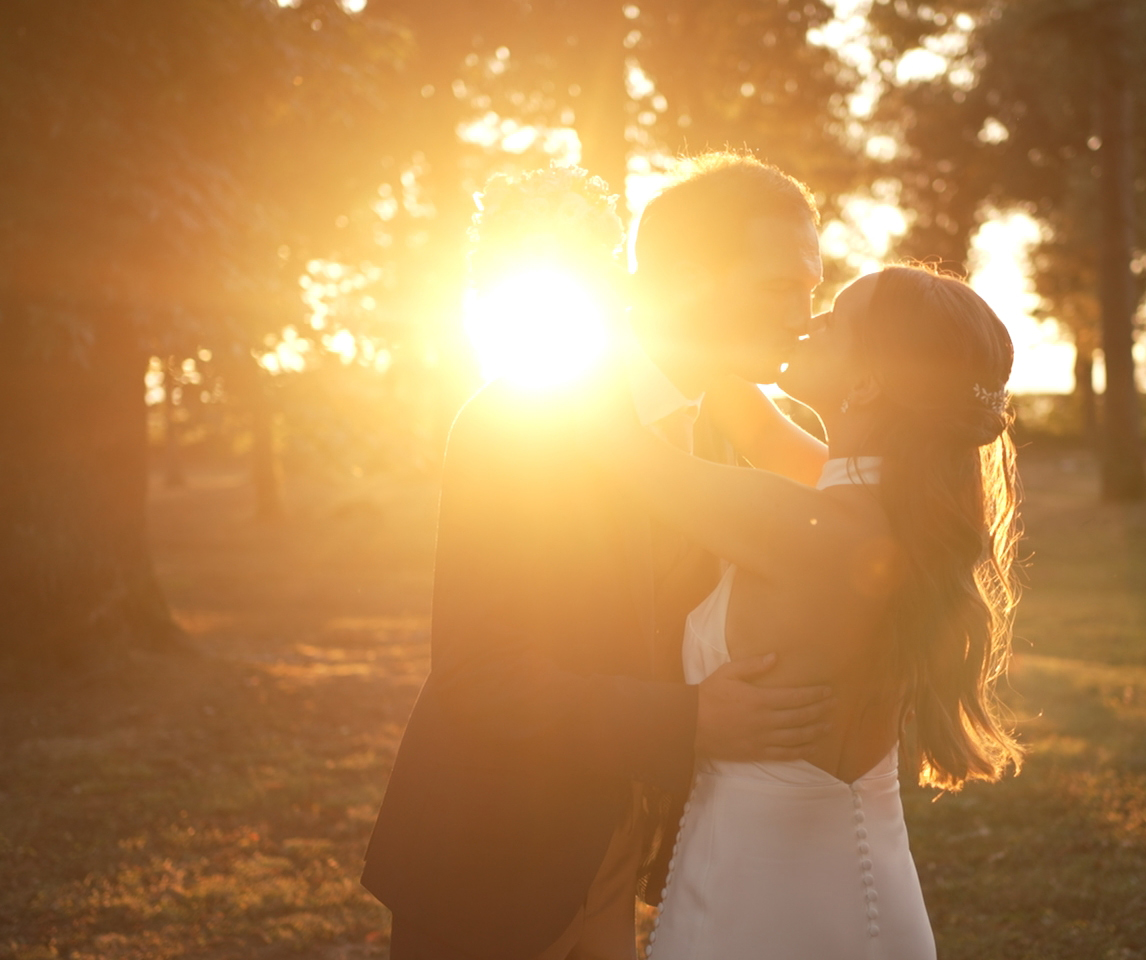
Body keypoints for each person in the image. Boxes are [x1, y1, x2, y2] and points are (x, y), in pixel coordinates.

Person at [362, 154, 837, 959]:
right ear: (687, 282)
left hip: (625, 855)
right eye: (779, 287)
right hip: (495, 859)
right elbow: (481, 675)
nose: (804, 316)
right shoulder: (520, 419)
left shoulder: (752, 429)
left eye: (813, 290)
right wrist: (693, 720)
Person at [586, 264, 1025, 960]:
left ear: (865, 383)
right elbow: (755, 425)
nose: (809, 319)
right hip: (871, 892)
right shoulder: (890, 518)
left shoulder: (795, 524)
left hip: (761, 911)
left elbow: (614, 448)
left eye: (835, 318)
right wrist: (728, 337)